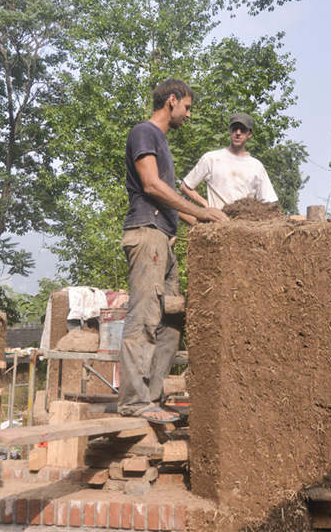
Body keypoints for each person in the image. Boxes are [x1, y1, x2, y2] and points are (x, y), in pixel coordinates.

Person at [119, 78, 229, 423]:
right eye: (188, 107)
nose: (189, 115)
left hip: (164, 238)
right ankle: (134, 401)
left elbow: (170, 201)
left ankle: (149, 397)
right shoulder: (144, 132)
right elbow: (152, 186)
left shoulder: (161, 143)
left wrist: (209, 224)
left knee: (172, 320)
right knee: (145, 317)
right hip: (146, 234)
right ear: (172, 100)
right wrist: (203, 210)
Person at [179, 113, 279, 209]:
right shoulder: (211, 158)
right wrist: (206, 205)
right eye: (235, 129)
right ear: (230, 131)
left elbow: (269, 202)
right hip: (216, 223)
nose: (238, 133)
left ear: (249, 134)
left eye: (242, 130)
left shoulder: (256, 166)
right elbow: (185, 186)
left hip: (244, 223)